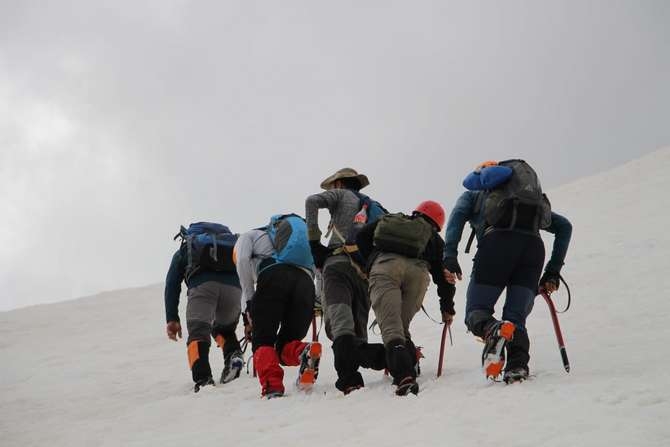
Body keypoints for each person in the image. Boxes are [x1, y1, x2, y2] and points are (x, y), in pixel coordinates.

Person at [443, 160, 572, 383]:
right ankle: (517, 366)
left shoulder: (476, 195)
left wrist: (450, 255)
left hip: (496, 246)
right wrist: (552, 271)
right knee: (516, 317)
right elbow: (564, 227)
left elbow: (456, 218)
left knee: (477, 311)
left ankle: (493, 329)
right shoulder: (527, 201)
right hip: (533, 249)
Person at [356, 201, 456, 395]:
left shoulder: (390, 221)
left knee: (392, 330)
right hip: (418, 274)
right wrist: (447, 308)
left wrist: (371, 261)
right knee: (400, 328)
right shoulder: (434, 238)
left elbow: (361, 236)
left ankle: (404, 376)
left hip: (385, 267)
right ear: (437, 223)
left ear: (416, 212)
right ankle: (410, 360)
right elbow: (443, 278)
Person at [305, 168, 387, 394]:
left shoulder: (342, 195)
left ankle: (350, 379)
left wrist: (313, 241)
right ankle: (398, 355)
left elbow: (311, 201)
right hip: (364, 275)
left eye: (332, 186)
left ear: (339, 183)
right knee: (357, 337)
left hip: (338, 266)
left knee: (340, 328)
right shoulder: (375, 207)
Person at [234, 214, 320, 399]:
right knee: (286, 343)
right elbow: (319, 268)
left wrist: (249, 302)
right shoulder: (301, 245)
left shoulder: (248, 236)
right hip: (306, 285)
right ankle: (303, 352)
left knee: (263, 339)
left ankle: (272, 386)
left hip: (274, 277)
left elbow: (241, 262)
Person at [164, 222, 244, 392]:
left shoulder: (187, 248)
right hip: (234, 289)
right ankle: (233, 355)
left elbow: (172, 284)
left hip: (203, 286)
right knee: (225, 329)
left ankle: (203, 379)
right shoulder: (232, 246)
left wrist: (172, 318)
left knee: (198, 335)